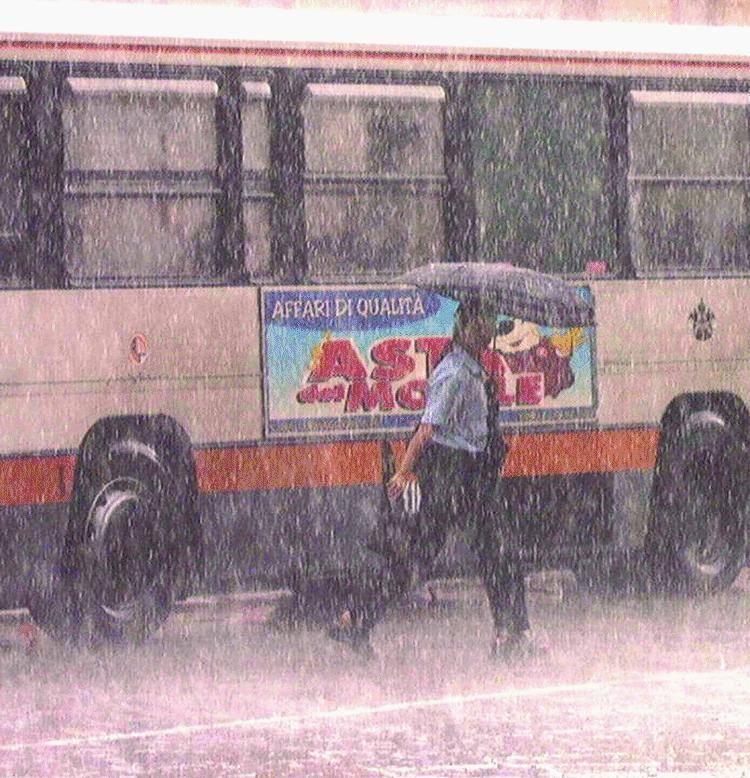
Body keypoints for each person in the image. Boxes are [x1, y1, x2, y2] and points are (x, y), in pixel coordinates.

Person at [327, 298, 536, 660]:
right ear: (464, 328)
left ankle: (354, 621)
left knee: (438, 556)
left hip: (468, 473)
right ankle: (511, 635)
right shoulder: (456, 373)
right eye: (482, 323)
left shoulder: (470, 369)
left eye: (491, 322)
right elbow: (427, 428)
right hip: (454, 476)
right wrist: (404, 471)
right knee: (492, 552)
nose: (488, 331)